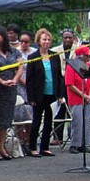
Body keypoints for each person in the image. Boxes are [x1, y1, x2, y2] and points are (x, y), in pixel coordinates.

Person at [0, 26, 23, 161]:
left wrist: (14, 80)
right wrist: (1, 81)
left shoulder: (14, 52)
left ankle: (1, 146)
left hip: (10, 88)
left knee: (5, 118)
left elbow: (20, 67)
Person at [25, 28, 63, 158]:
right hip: (38, 95)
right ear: (38, 41)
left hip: (52, 93)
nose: (46, 42)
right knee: (36, 121)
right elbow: (29, 80)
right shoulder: (33, 57)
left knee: (48, 121)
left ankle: (45, 147)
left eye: (48, 39)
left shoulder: (54, 55)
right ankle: (32, 147)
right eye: (44, 39)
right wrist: (31, 97)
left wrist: (60, 94)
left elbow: (59, 76)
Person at [52, 28, 79, 144]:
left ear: (73, 39)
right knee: (59, 111)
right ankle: (57, 137)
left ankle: (75, 138)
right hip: (60, 83)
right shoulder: (54, 51)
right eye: (65, 37)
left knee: (74, 112)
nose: (67, 40)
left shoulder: (78, 50)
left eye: (70, 37)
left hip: (73, 83)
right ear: (62, 39)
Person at [65, 45, 90, 154]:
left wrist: (89, 94)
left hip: (87, 97)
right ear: (80, 56)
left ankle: (85, 143)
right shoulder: (71, 66)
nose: (88, 57)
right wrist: (83, 95)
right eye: (87, 55)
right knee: (77, 121)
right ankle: (75, 144)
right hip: (76, 97)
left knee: (87, 120)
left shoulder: (88, 66)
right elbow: (70, 84)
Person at [15, 31, 36, 150]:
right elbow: (17, 70)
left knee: (30, 114)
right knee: (19, 114)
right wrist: (25, 83)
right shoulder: (16, 52)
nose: (23, 44)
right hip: (20, 85)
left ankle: (29, 139)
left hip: (31, 85)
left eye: (26, 42)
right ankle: (20, 139)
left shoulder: (33, 52)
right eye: (21, 41)